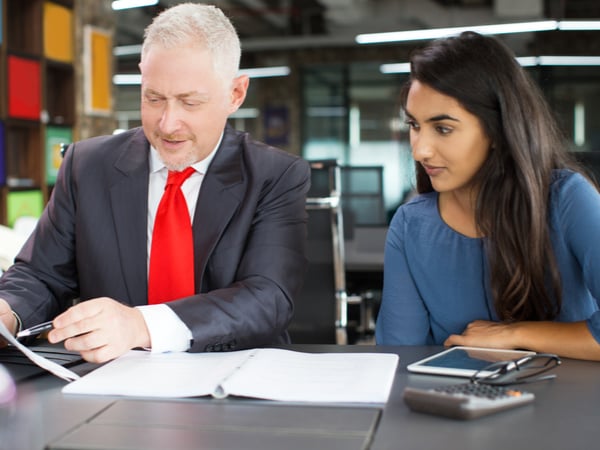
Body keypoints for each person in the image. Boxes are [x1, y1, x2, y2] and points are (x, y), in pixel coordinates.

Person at [0, 3, 310, 363]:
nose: (167, 123)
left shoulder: (275, 175)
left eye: (190, 102)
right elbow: (40, 274)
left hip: (234, 381)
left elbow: (268, 296)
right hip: (111, 384)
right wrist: (8, 311)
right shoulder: (87, 166)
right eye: (153, 98)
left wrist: (141, 325)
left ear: (235, 94)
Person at [375, 31, 600, 361]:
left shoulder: (568, 199)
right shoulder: (411, 225)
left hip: (567, 404)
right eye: (414, 125)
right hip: (451, 404)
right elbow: (398, 359)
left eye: (443, 128)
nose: (420, 149)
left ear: (497, 129)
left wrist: (516, 333)